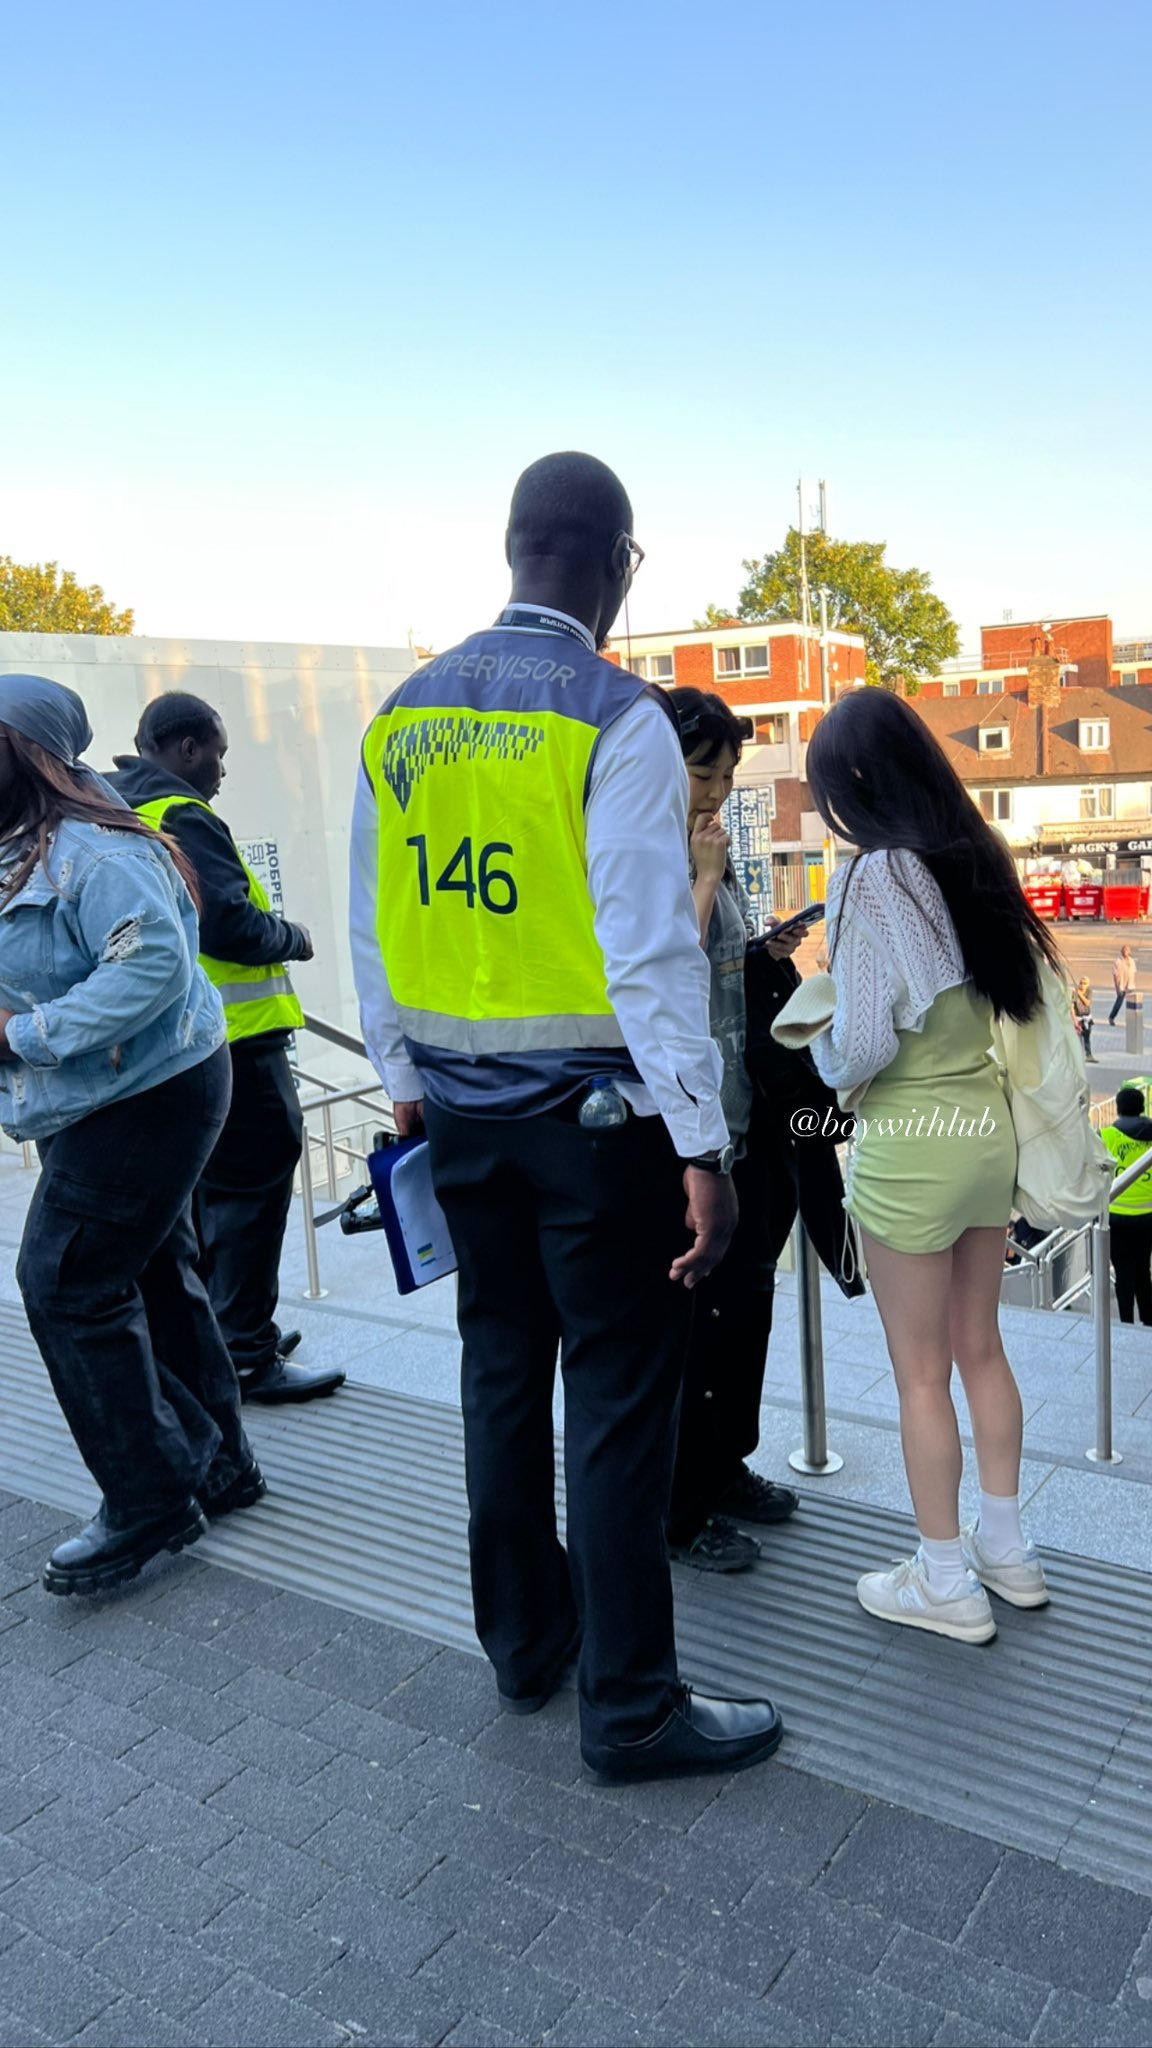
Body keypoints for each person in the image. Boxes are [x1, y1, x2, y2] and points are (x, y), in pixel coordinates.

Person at [350, 452, 782, 1781]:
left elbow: (373, 927)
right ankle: (633, 1707)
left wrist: (407, 1085)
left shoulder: (400, 718)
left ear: (512, 547)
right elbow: (649, 953)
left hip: (458, 1123)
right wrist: (700, 1146)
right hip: (600, 1127)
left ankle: (526, 1649)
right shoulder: (616, 718)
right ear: (617, 561)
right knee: (615, 1397)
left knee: (496, 1374)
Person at [795, 689, 1056, 1643]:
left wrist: (812, 1036)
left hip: (910, 1145)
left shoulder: (874, 878)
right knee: (982, 1346)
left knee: (918, 1374)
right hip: (984, 1133)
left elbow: (860, 1046)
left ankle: (943, 1578)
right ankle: (1008, 1550)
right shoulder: (968, 859)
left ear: (856, 788)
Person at [0, 675, 263, 1596]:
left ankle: (149, 1497)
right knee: (149, 1271)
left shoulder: (90, 848)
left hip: (145, 1096)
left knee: (63, 1282)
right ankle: (219, 1464)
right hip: (119, 1094)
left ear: (28, 753)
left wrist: (19, 1036)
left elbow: (150, 962)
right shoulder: (26, 844)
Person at [663, 688, 862, 1572]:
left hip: (749, 1116)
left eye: (728, 771)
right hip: (690, 1131)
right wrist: (705, 881)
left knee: (746, 1311)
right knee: (694, 1329)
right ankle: (680, 1502)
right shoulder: (641, 847)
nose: (718, 788)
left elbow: (716, 967)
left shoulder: (709, 843)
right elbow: (659, 973)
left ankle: (726, 1464)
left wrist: (759, 951)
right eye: (704, 770)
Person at [108, 697, 344, 1404]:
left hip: (178, 1047)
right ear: (183, 748)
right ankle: (246, 1351)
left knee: (209, 1197)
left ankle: (221, 1330)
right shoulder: (181, 814)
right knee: (251, 1194)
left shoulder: (120, 808)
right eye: (217, 752)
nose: (220, 769)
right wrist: (292, 936)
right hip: (237, 1042)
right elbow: (230, 924)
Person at [1100, 1086, 1152, 1325]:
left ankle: (1125, 1324)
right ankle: (1149, 1322)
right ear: (1142, 1107)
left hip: (1116, 1217)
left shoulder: (1105, 1136)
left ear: (1118, 1109)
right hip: (1148, 1216)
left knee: (1123, 1274)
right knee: (1144, 1270)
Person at [1109, 945, 1136, 1026]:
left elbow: (1133, 972)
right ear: (1121, 952)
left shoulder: (1131, 961)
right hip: (1121, 986)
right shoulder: (1118, 961)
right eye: (1124, 950)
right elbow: (1115, 975)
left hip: (1130, 985)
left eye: (1127, 950)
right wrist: (1117, 988)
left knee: (1132, 1004)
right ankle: (1111, 1017)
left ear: (1129, 952)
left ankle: (1133, 1021)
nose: (1125, 952)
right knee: (1119, 1003)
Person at [1072, 976, 1097, 1060]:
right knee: (1077, 1039)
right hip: (1078, 1018)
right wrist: (1073, 1018)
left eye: (1084, 983)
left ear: (1088, 985)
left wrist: (1079, 994)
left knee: (1087, 1037)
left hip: (1086, 1018)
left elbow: (1087, 1003)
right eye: (1081, 983)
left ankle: (1088, 1055)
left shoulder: (1089, 991)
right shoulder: (1075, 992)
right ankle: (1078, 1056)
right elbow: (1071, 1006)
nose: (1082, 985)